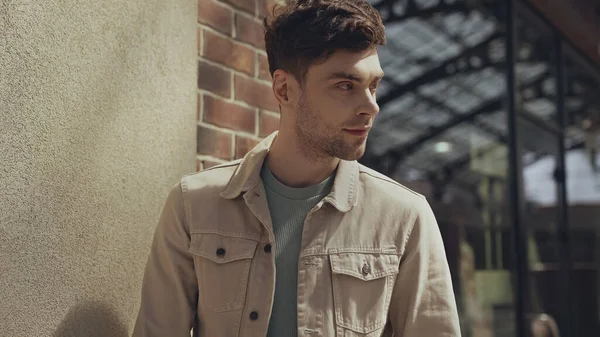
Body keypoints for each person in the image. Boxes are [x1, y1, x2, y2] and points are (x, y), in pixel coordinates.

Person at [132, 0, 461, 336]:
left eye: (373, 86)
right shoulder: (195, 206)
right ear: (284, 89)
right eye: (346, 86)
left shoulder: (404, 217)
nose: (371, 106)